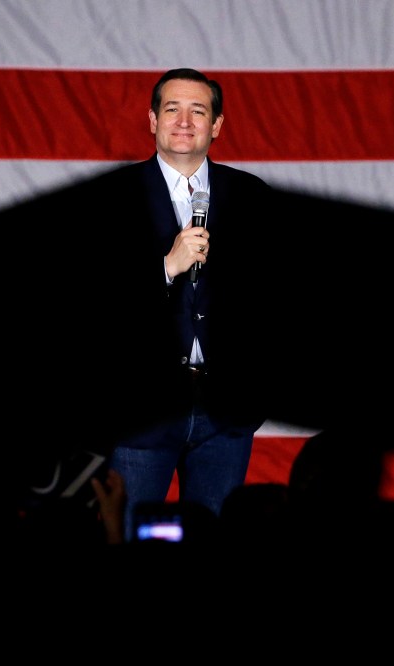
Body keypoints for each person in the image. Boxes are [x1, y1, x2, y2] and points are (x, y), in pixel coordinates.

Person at [105, 67, 273, 540]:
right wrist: (165, 268)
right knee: (132, 536)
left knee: (215, 541)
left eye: (198, 110)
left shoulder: (251, 196)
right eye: (172, 109)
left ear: (216, 126)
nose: (184, 120)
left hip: (224, 411)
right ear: (152, 121)